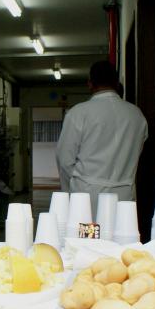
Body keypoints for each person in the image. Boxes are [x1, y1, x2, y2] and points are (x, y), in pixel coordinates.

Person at [56, 60, 148, 210]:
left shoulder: (78, 113)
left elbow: (64, 160)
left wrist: (71, 190)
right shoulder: (136, 115)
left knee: (86, 227)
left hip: (86, 197)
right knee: (121, 226)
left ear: (90, 83)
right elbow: (138, 152)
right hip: (124, 197)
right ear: (116, 83)